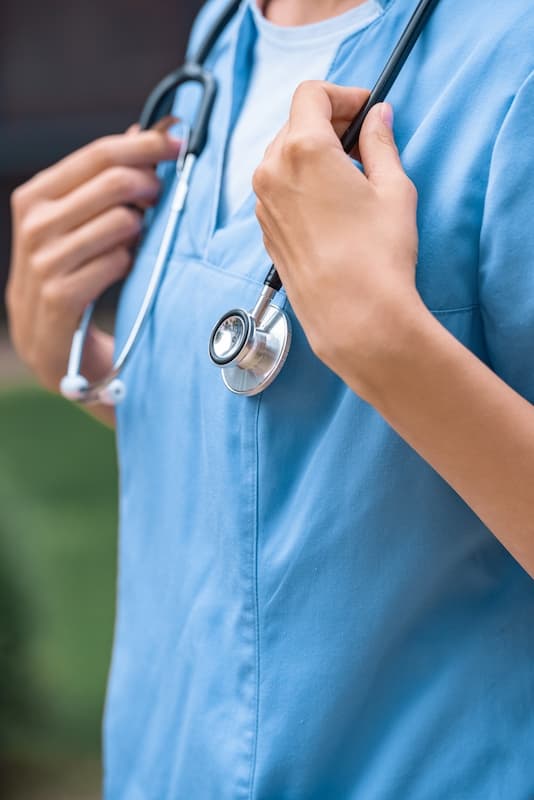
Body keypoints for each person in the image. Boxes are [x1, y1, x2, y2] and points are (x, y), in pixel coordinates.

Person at [6, 0, 534, 796]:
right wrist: (82, 363)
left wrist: (385, 343)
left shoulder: (512, 60)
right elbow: (294, 469)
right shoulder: (225, 34)